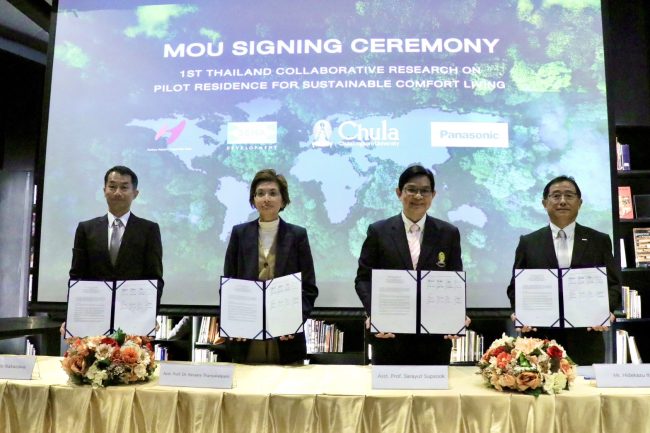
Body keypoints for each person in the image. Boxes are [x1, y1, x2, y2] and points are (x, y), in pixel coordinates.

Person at [506, 175, 622, 365]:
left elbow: (613, 284)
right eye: (556, 195)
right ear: (544, 203)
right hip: (539, 339)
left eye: (569, 195)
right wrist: (520, 312)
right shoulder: (528, 242)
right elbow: (515, 287)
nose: (562, 201)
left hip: (587, 336)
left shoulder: (599, 240)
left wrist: (604, 310)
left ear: (579, 203)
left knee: (587, 384)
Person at [355, 164, 464, 365]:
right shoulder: (379, 231)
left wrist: (456, 314)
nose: (418, 196)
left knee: (434, 387)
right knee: (388, 386)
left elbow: (454, 281)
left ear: (433, 195)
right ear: (399, 193)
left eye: (425, 191)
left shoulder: (448, 233)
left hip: (434, 338)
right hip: (389, 335)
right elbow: (363, 279)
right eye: (411, 189)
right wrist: (375, 312)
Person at [223, 169, 318, 364]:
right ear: (254, 200)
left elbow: (309, 288)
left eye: (273, 193)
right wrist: (234, 322)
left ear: (283, 200)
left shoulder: (298, 235)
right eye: (260, 193)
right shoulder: (239, 233)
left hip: (286, 335)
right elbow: (229, 284)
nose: (266, 198)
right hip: (246, 334)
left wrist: (295, 321)